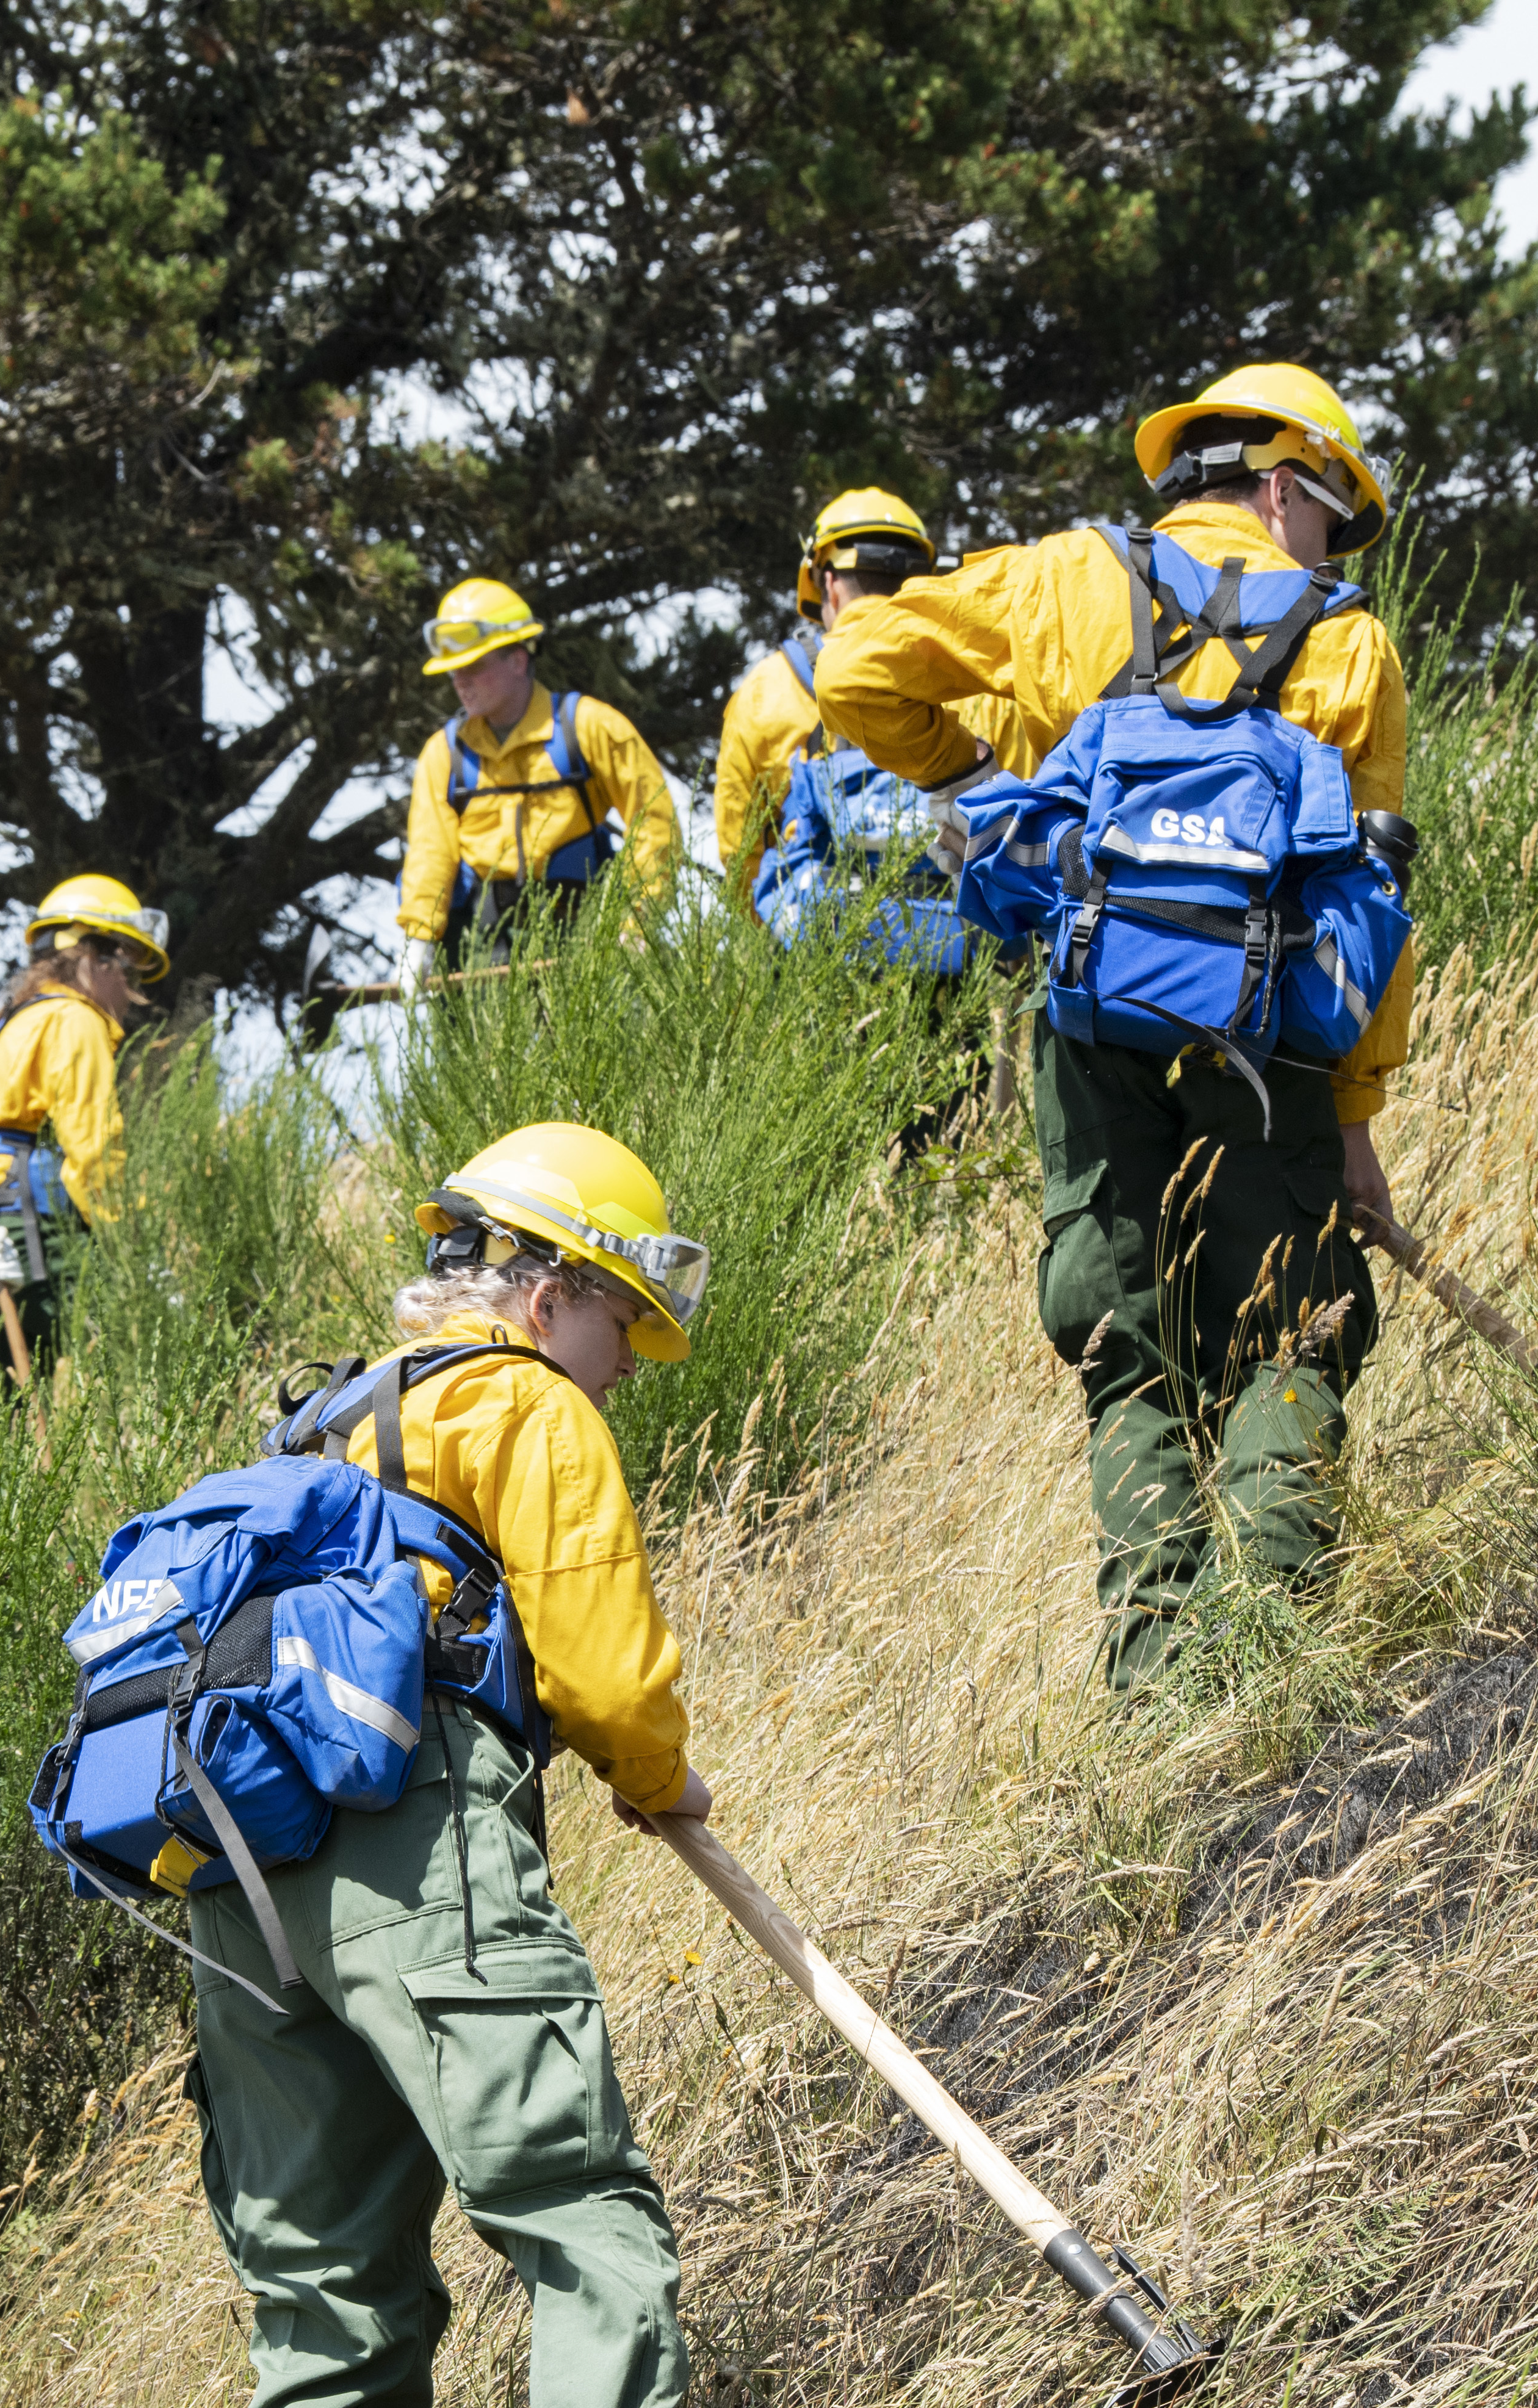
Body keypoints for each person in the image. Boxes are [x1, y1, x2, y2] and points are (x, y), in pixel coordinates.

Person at [160, 1118, 718, 2408]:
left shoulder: (324, 1423)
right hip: (415, 1851)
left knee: (327, 2305)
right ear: (546, 1295)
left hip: (238, 1884)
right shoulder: (524, 1408)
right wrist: (661, 1778)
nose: (621, 1369)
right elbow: (605, 1679)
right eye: (617, 1325)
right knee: (581, 2216)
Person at [815, 364, 1417, 1687]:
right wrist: (1355, 1126)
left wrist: (985, 784)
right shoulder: (1347, 642)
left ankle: (1155, 1689)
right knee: (1292, 1333)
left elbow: (851, 666)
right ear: (1281, 487)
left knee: (1122, 1349)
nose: (1333, 553)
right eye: (1333, 520)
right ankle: (1267, 1667)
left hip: (1092, 1024)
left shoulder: (1063, 579)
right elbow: (1370, 912)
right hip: (1269, 1049)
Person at [392, 578, 679, 976]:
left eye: (473, 666)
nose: (460, 681)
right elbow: (430, 854)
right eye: (453, 670)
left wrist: (638, 919)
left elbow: (654, 823)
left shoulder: (589, 727)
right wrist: (419, 938)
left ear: (518, 659)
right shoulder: (444, 755)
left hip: (586, 939)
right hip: (483, 949)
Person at [0, 876, 162, 1375]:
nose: (131, 992)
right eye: (129, 970)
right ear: (95, 957)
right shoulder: (75, 1021)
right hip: (32, 1218)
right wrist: (134, 1241)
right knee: (125, 1339)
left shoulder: (19, 1018)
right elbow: (94, 1149)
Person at [712, 490, 946, 890]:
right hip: (956, 927)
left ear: (831, 585)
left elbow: (742, 851)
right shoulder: (972, 679)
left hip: (820, 927)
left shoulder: (766, 690)